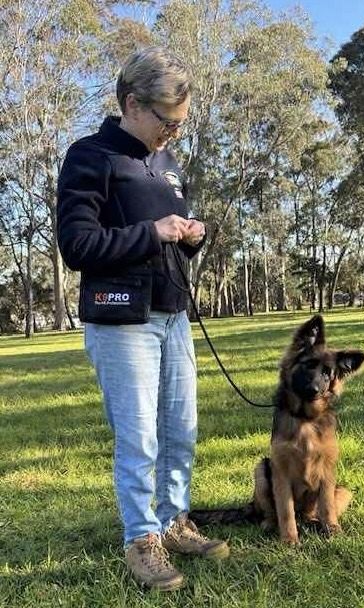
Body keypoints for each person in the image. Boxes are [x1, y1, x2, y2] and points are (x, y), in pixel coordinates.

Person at [57, 46, 229, 592]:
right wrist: (152, 232)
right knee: (139, 438)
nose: (173, 133)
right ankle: (141, 539)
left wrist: (191, 237)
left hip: (173, 315)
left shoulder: (168, 164)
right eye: (167, 121)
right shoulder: (91, 156)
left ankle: (174, 521)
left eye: (180, 124)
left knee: (180, 432)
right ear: (132, 104)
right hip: (121, 320)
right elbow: (77, 245)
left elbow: (170, 242)